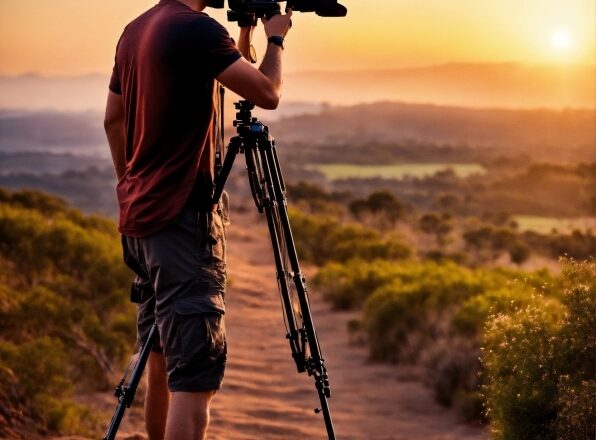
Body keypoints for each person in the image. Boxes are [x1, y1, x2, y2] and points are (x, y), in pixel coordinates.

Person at [103, 1, 293, 439]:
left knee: (163, 357)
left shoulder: (137, 30)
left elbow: (112, 120)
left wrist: (129, 184)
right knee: (194, 374)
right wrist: (276, 37)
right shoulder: (195, 28)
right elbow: (267, 92)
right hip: (180, 223)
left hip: (142, 220)